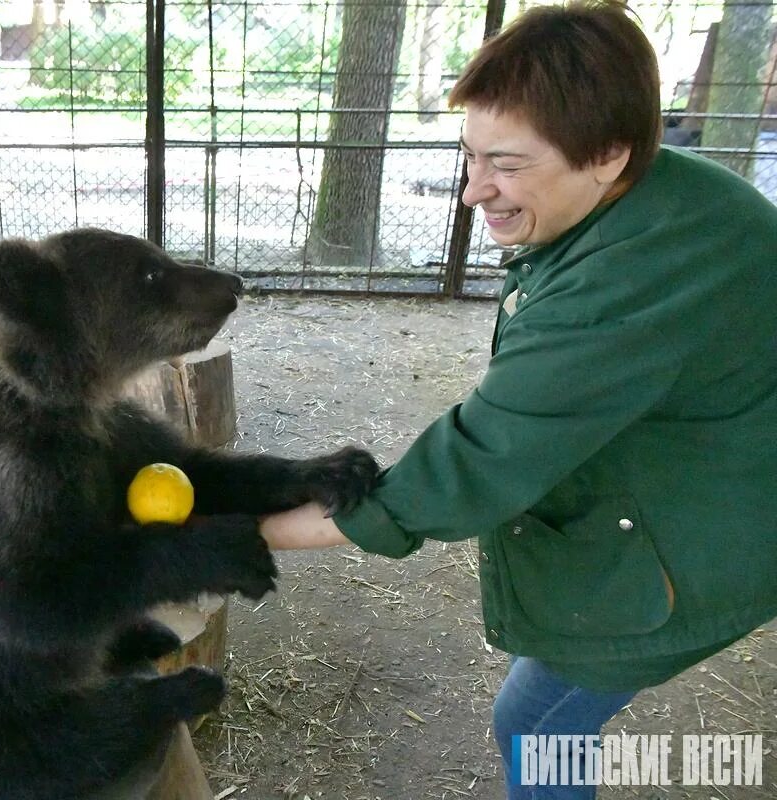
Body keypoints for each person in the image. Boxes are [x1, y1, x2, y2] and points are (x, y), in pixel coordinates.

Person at [260, 2, 777, 797]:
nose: (475, 191)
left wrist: (254, 534)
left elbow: (484, 455)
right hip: (712, 476)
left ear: (608, 153)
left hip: (710, 536)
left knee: (535, 724)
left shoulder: (630, 278)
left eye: (506, 164)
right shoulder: (665, 196)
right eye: (470, 157)